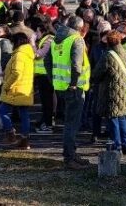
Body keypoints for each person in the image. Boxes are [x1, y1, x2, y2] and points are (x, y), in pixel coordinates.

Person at [48, 15, 90, 170]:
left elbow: (47, 61)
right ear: (79, 28)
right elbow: (76, 65)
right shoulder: (76, 39)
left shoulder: (56, 39)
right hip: (74, 88)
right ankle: (69, 157)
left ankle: (72, 153)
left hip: (60, 87)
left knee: (68, 122)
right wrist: (73, 84)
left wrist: (53, 79)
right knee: (72, 124)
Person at [94, 28, 126, 155]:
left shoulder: (107, 56)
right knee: (122, 117)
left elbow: (97, 74)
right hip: (125, 90)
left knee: (113, 118)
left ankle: (117, 145)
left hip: (111, 91)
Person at [0, 31, 34, 149]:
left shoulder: (19, 55)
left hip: (15, 89)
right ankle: (25, 140)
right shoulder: (27, 53)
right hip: (25, 88)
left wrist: (6, 85)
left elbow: (16, 73)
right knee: (24, 114)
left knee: (2, 111)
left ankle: (10, 134)